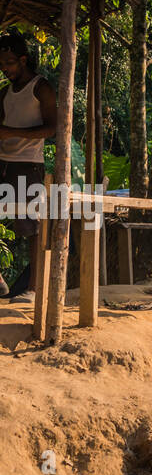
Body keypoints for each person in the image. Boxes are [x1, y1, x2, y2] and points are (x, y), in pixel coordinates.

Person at [0, 31, 55, 302]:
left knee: (31, 226)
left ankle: (33, 289)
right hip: (4, 163)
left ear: (23, 60)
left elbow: (53, 128)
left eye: (9, 63)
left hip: (29, 164)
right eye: (2, 64)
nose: (5, 69)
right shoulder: (4, 92)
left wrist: (12, 133)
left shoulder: (40, 87)